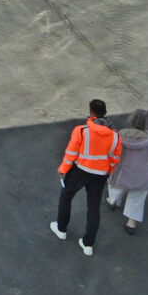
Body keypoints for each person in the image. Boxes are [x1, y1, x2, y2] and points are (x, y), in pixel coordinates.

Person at [52, 99, 119, 255]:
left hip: (79, 171)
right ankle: (88, 244)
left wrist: (63, 169)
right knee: (94, 208)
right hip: (100, 175)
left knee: (66, 196)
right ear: (105, 113)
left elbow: (71, 153)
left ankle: (61, 229)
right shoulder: (115, 136)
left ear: (91, 112)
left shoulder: (82, 131)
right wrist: (107, 172)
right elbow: (115, 158)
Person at [104, 109, 148, 234]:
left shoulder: (120, 134)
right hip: (142, 176)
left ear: (132, 120)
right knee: (137, 198)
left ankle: (113, 201)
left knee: (115, 186)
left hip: (121, 172)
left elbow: (110, 152)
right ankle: (131, 223)